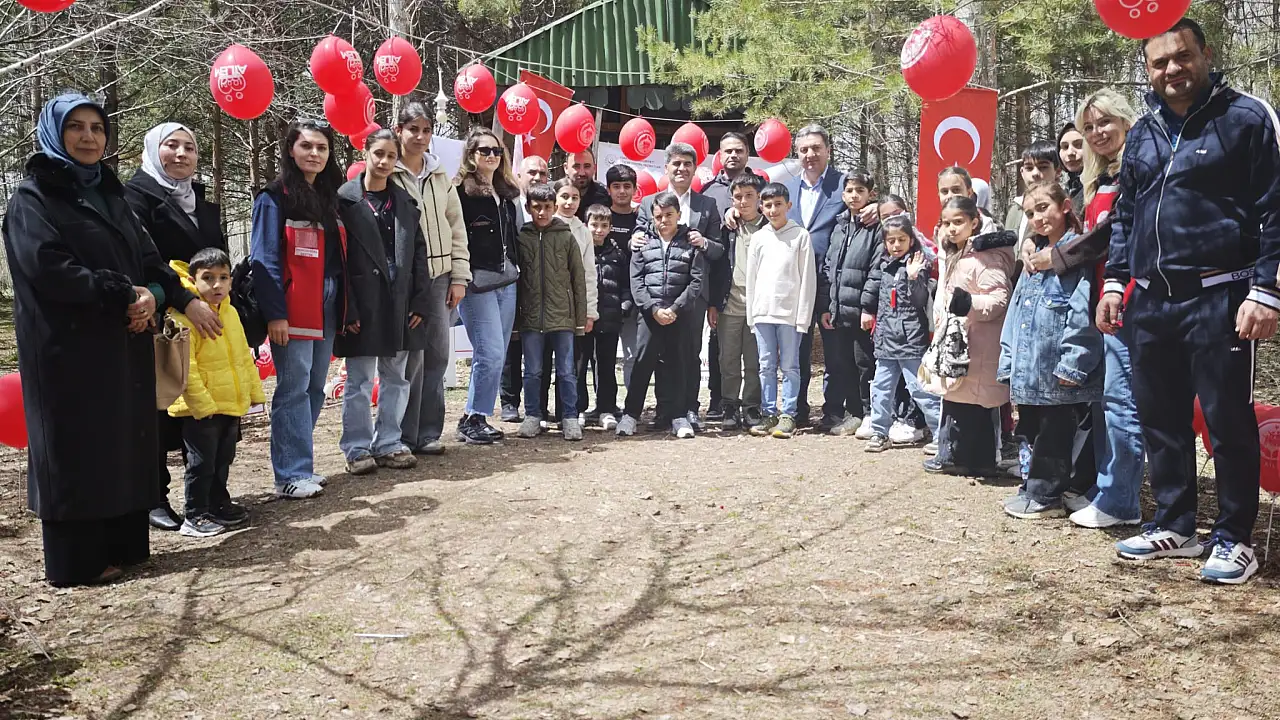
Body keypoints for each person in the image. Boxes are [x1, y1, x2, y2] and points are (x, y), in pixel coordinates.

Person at [1102, 20, 1280, 584]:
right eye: (1159, 63)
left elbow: (1275, 207)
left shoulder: (1247, 118)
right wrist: (1113, 282)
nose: (1171, 70)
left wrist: (1267, 290)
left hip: (1221, 294)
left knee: (1228, 421)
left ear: (1205, 53)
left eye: (1181, 57)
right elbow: (1126, 213)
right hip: (1152, 301)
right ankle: (1175, 523)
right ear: (1147, 70)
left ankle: (1234, 538)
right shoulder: (1145, 132)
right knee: (1161, 418)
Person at [3, 93, 191, 586]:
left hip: (123, 344)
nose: (89, 137)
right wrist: (119, 293)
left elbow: (151, 263)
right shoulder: (32, 198)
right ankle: (80, 562)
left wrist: (150, 296)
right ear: (53, 133)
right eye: (76, 127)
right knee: (78, 451)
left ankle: (125, 548)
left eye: (97, 128)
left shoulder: (112, 195)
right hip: (67, 351)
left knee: (123, 443)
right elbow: (48, 269)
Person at [1023, 88, 1145, 531]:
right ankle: (1108, 489)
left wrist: (1057, 258)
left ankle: (1122, 500)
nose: (1096, 133)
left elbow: (1109, 236)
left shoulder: (1137, 170)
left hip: (1129, 297)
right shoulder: (1101, 176)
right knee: (1106, 403)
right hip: (1101, 302)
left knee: (1123, 403)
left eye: (1103, 123)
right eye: (1088, 126)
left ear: (1126, 122)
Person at [124, 122, 227, 532]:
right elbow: (146, 261)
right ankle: (152, 496)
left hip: (206, 322)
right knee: (159, 409)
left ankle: (204, 496)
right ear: (153, 150)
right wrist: (184, 301)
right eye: (172, 145)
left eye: (190, 147)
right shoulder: (135, 197)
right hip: (160, 317)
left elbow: (214, 259)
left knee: (201, 408)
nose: (181, 154)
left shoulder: (199, 201)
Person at [251, 119, 347, 499]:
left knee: (315, 386)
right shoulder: (273, 197)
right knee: (292, 387)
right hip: (292, 305)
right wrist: (276, 313)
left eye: (322, 148)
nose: (314, 154)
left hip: (327, 299)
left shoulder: (329, 197)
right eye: (307, 146)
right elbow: (265, 259)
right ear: (291, 149)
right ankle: (289, 474)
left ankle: (300, 463)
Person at [998, 182, 1103, 519]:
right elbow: (1016, 313)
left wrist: (1074, 363)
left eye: (1043, 208)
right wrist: (1009, 360)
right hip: (1030, 370)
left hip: (1058, 372)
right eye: (1030, 213)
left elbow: (1082, 312)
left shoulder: (1075, 255)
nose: (1037, 218)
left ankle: (1047, 495)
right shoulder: (1032, 258)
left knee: (1056, 434)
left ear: (1066, 206)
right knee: (1033, 431)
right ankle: (1035, 486)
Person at [335, 129, 431, 475]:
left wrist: (420, 301)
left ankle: (389, 441)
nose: (384, 162)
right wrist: (347, 308)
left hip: (400, 301)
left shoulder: (404, 203)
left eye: (391, 156)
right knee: (359, 379)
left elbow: (419, 254)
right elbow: (338, 259)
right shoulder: (344, 200)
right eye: (378, 154)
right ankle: (357, 447)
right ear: (365, 152)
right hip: (362, 302)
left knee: (396, 377)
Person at [165, 248, 265, 537]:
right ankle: (195, 515)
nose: (217, 285)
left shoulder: (232, 313)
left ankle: (219, 504)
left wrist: (254, 393)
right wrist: (202, 405)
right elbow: (186, 367)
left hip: (229, 404)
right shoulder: (184, 316)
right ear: (193, 281)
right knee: (200, 463)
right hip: (202, 409)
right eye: (208, 278)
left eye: (223, 277)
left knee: (223, 458)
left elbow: (243, 358)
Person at [391, 102, 469, 457]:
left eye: (426, 130)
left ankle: (428, 432)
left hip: (439, 277)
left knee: (437, 355)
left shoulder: (440, 175)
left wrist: (459, 277)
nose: (420, 137)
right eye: (413, 130)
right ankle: (402, 436)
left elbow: (456, 228)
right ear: (399, 131)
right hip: (403, 281)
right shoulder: (387, 173)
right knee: (411, 358)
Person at [633, 143, 724, 431]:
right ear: (667, 168)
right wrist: (633, 240)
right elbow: (640, 237)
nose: (681, 168)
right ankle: (664, 410)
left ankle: (689, 408)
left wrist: (704, 243)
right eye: (676, 164)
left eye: (687, 163)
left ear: (695, 168)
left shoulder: (706, 204)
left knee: (688, 353)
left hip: (692, 295)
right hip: (657, 293)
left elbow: (719, 250)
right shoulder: (648, 203)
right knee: (657, 354)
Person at [923, 196, 1015, 477]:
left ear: (974, 223)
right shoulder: (958, 253)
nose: (951, 228)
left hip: (979, 345)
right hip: (960, 343)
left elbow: (1000, 299)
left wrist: (970, 303)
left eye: (958, 222)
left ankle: (981, 462)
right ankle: (956, 456)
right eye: (946, 223)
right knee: (957, 402)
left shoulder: (985, 258)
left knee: (978, 406)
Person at [618, 191, 707, 438]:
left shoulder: (690, 242)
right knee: (642, 364)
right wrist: (653, 309)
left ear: (678, 215)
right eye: (658, 216)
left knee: (678, 364)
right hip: (650, 314)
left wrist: (675, 308)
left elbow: (696, 281)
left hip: (680, 314)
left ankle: (678, 416)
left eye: (669, 215)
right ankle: (630, 416)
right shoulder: (643, 243)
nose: (664, 220)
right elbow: (636, 281)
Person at [453, 127, 521, 445]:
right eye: (484, 150)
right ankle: (475, 418)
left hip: (507, 281)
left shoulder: (507, 192)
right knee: (489, 352)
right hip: (476, 282)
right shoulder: (460, 193)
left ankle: (473, 415)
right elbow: (456, 239)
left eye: (496, 151)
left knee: (497, 351)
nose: (491, 156)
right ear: (471, 155)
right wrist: (459, 276)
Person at [785, 126, 849, 425]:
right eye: (804, 150)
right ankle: (795, 410)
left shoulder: (843, 185)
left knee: (834, 353)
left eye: (816, 148)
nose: (810, 155)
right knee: (796, 351)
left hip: (830, 282)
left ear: (827, 150)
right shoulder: (786, 189)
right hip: (795, 283)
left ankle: (833, 410)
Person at [514, 184, 588, 440]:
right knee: (533, 370)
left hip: (563, 317)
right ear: (528, 208)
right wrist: (516, 321)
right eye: (537, 208)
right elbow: (517, 281)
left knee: (567, 371)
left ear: (554, 208)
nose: (542, 213)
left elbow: (579, 280)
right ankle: (533, 415)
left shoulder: (566, 237)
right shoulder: (522, 238)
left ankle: (569, 417)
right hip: (531, 317)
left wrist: (579, 319)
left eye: (547, 207)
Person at [861, 215, 940, 453]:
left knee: (921, 389)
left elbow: (919, 301)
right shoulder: (883, 266)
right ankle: (879, 432)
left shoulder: (918, 264)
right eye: (891, 240)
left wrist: (913, 277)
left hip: (911, 341)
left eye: (901, 240)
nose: (896, 245)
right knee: (881, 389)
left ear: (911, 240)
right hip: (886, 341)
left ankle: (940, 434)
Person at [747, 183, 818, 440]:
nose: (773, 210)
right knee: (766, 366)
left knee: (790, 366)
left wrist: (803, 319)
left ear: (788, 206)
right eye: (767, 205)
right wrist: (751, 316)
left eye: (778, 204)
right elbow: (752, 280)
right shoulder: (758, 238)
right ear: (761, 207)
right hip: (763, 313)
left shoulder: (800, 236)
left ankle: (788, 413)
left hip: (789, 315)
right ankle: (768, 412)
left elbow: (808, 280)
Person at [819, 172, 883, 436]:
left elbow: (876, 270)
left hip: (861, 312)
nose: (854, 196)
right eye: (849, 191)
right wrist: (827, 306)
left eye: (860, 190)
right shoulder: (839, 225)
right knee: (843, 363)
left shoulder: (876, 227)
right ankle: (854, 412)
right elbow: (828, 268)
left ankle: (870, 413)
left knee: (864, 364)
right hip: (839, 311)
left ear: (871, 194)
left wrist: (868, 307)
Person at [699, 131, 758, 420]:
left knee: (754, 356)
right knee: (722, 351)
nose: (733, 155)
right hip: (723, 286)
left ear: (747, 153)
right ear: (719, 156)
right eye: (727, 151)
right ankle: (719, 401)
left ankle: (752, 406)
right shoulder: (709, 193)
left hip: (756, 289)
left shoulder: (763, 187)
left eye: (739, 150)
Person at [710, 172, 766, 431]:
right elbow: (716, 266)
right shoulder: (726, 228)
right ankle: (729, 405)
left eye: (749, 196)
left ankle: (752, 406)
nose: (743, 202)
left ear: (759, 198)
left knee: (754, 361)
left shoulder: (770, 227)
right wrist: (713, 303)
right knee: (728, 359)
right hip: (729, 303)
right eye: (738, 197)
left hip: (760, 307)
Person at [501, 154, 551, 421]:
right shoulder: (508, 205)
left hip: (541, 288)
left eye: (542, 173)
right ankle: (509, 402)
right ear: (519, 176)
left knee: (540, 348)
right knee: (511, 343)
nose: (537, 177)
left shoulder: (549, 211)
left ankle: (540, 405)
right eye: (531, 172)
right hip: (510, 283)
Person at [544, 178, 599, 425]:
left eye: (574, 198)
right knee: (542, 363)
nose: (569, 202)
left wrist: (589, 312)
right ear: (554, 199)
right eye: (564, 196)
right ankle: (539, 412)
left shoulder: (583, 231)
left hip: (572, 308)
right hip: (544, 306)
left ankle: (568, 411)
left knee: (570, 363)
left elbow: (589, 274)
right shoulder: (541, 225)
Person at [581, 204, 629, 430]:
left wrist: (624, 305)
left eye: (604, 226)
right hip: (583, 320)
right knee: (579, 366)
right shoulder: (579, 250)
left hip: (610, 319)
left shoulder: (618, 254)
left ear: (610, 228)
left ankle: (606, 409)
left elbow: (626, 285)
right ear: (586, 225)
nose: (598, 230)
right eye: (594, 225)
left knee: (606, 366)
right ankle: (578, 408)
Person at [605, 164, 641, 387]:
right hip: (605, 296)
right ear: (608, 189)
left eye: (627, 186)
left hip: (635, 296)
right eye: (616, 186)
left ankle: (631, 406)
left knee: (632, 354)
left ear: (635, 189)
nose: (621, 191)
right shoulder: (600, 218)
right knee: (603, 356)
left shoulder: (642, 218)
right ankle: (602, 405)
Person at [1002, 140, 1060, 242]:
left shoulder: (1062, 206)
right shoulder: (1016, 208)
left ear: (1058, 171)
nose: (1035, 173)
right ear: (1022, 172)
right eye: (1029, 168)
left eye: (1043, 167)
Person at [564, 149, 610, 220]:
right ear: (566, 168)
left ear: (594, 168)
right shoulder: (554, 191)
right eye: (576, 166)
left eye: (587, 166)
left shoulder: (604, 195)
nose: (582, 173)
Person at [1057, 123, 1086, 210]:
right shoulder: (1063, 191)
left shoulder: (1102, 185)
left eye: (1079, 145)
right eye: (1065, 147)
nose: (1070, 153)